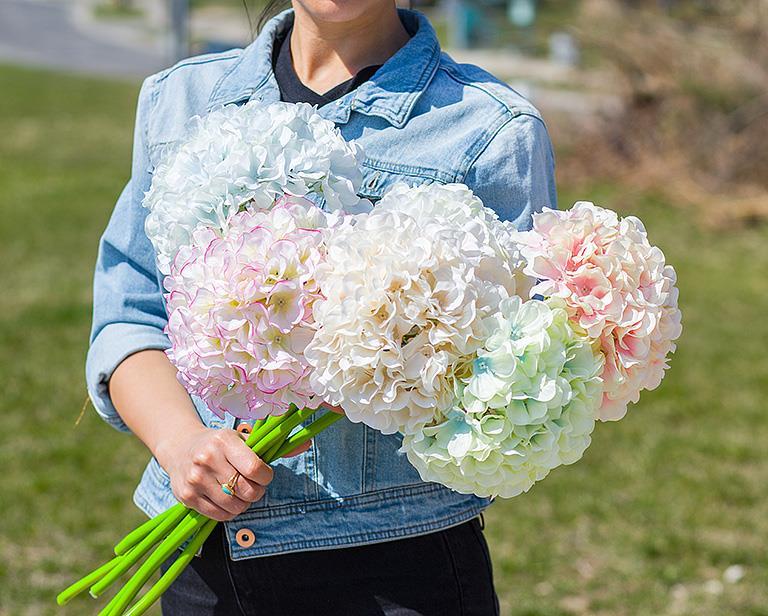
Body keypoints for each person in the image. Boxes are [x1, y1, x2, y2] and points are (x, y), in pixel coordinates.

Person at [86, 1, 556, 614]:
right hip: (203, 563)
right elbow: (130, 314)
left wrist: (383, 370)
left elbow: (518, 379)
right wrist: (181, 445)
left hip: (395, 567)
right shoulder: (180, 100)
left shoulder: (492, 132)